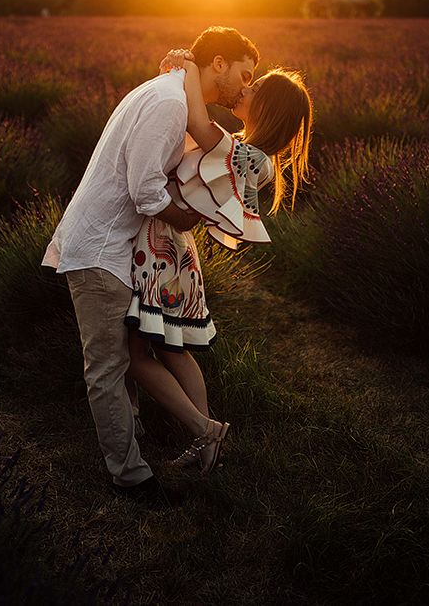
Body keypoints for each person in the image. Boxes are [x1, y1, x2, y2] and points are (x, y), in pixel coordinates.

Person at [41, 27, 259, 505]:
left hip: (119, 247)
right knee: (107, 367)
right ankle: (132, 478)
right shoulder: (170, 103)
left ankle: (138, 442)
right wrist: (190, 217)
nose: (244, 86)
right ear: (218, 62)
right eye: (244, 73)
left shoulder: (177, 95)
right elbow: (144, 190)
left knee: (123, 362)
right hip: (100, 248)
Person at [123, 48, 312, 474]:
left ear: (269, 108)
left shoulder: (250, 158)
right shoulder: (248, 151)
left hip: (160, 252)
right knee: (172, 351)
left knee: (135, 356)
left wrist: (188, 67)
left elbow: (195, 123)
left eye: (255, 87)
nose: (245, 87)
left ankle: (204, 429)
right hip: (173, 253)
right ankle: (205, 444)